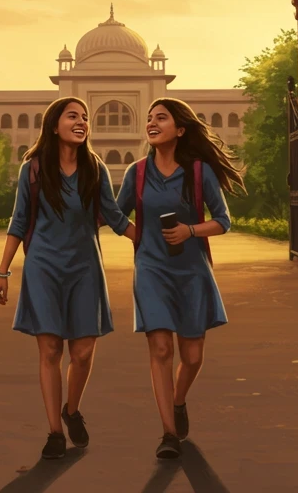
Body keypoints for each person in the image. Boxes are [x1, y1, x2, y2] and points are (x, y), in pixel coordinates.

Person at [0, 97, 137, 460]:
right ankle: (55, 432)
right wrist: (3, 271)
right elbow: (19, 221)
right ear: (54, 124)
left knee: (83, 352)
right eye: (73, 115)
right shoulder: (35, 170)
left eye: (85, 117)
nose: (82, 121)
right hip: (43, 266)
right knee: (51, 350)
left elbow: (114, 215)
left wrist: (148, 239)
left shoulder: (95, 168)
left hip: (85, 266)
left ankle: (71, 410)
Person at [115, 98, 244, 460]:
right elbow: (113, 212)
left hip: (191, 271)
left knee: (192, 354)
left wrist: (190, 230)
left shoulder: (199, 172)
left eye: (162, 118)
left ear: (180, 130)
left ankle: (179, 399)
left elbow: (223, 220)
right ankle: (168, 433)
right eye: (149, 119)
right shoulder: (136, 173)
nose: (152, 123)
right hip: (152, 270)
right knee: (160, 349)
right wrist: (137, 236)